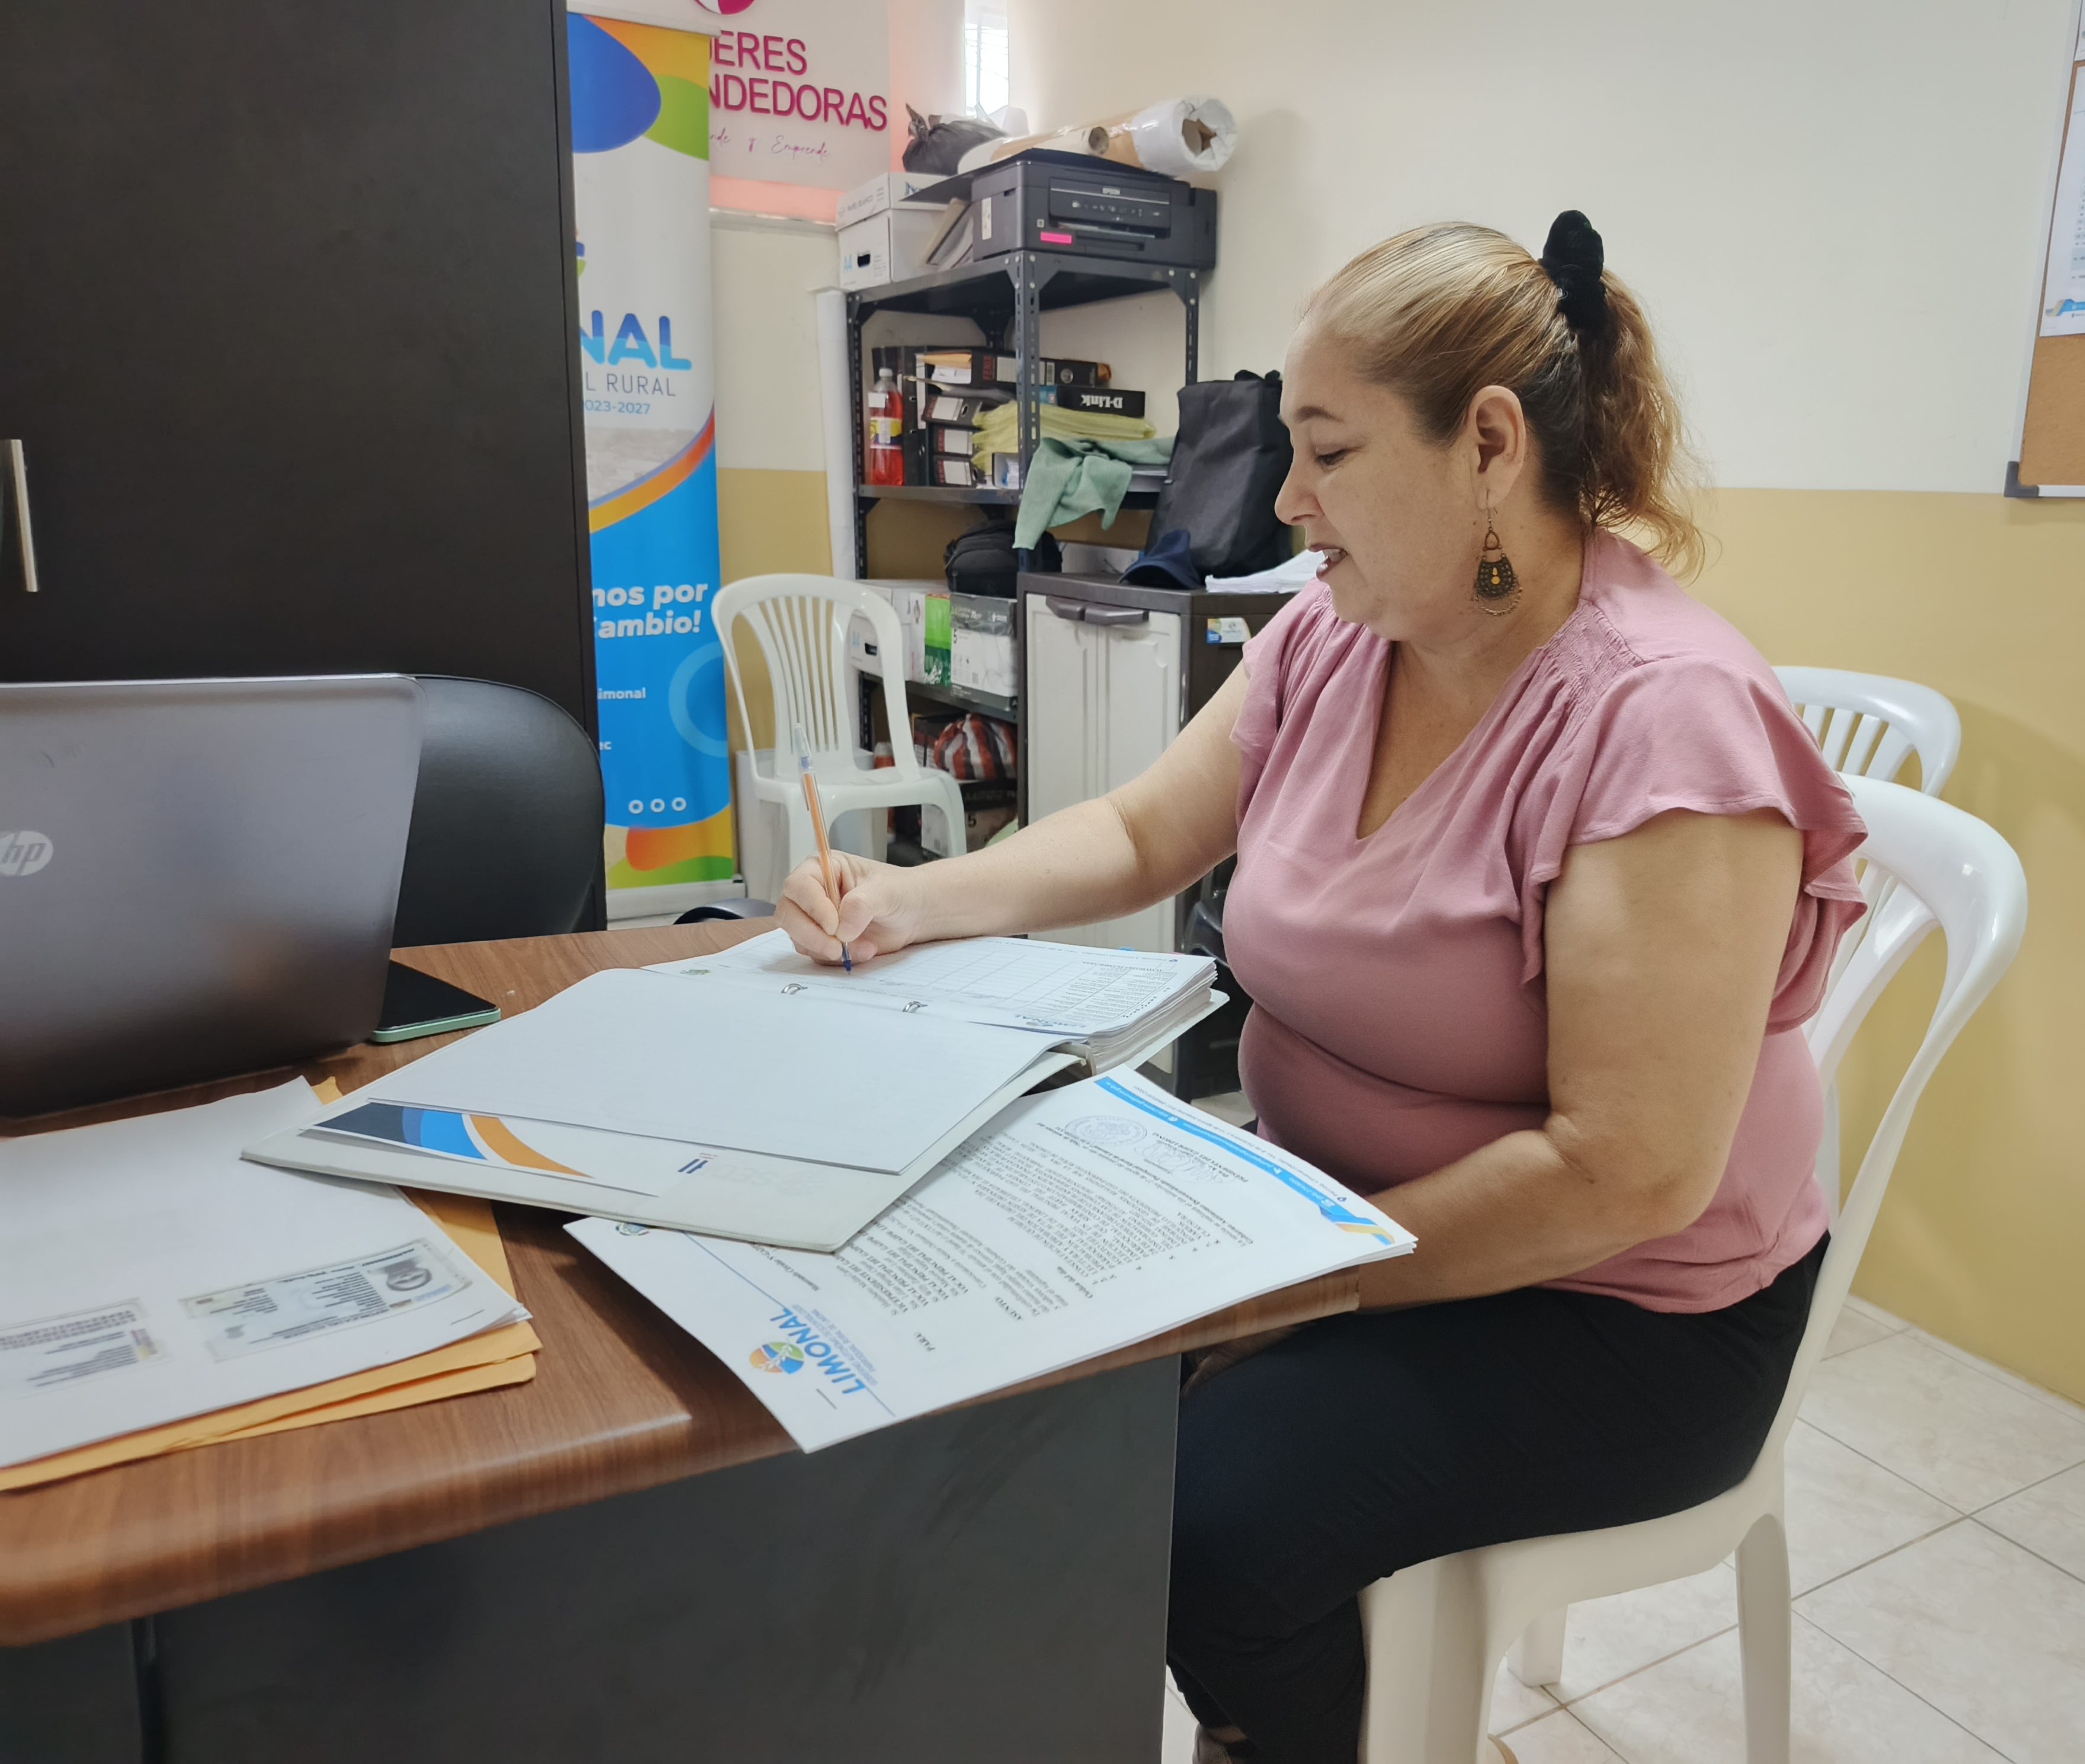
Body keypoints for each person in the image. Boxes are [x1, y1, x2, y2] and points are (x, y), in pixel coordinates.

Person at [777, 213, 1867, 1764]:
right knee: (1026, 1390)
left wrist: (1295, 1289)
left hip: (1618, 1309)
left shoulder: (1663, 721)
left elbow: (1625, 1170)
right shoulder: (1341, 638)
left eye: (1329, 452)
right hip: (1336, 1219)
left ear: (1488, 445)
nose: (1286, 500)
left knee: (1213, 1520)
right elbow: (1147, 829)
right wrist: (907, 900)